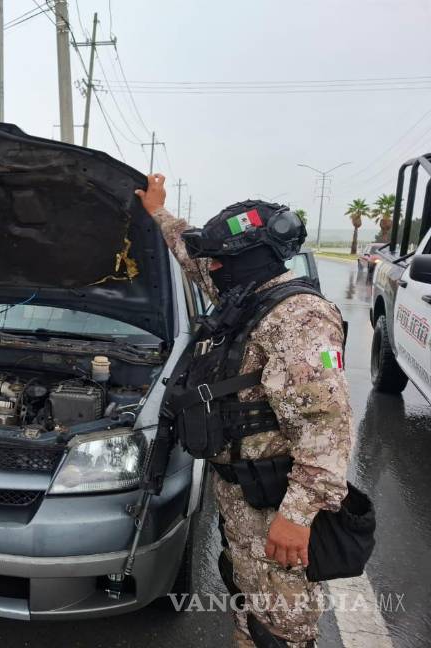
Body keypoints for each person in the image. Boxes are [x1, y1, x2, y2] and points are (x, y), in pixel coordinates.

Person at [136, 174, 352, 647]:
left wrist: (298, 515)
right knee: (247, 596)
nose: (209, 268)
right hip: (243, 495)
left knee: (283, 622)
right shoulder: (247, 299)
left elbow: (328, 427)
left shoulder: (298, 318)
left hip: (278, 500)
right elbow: (191, 261)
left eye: (220, 261)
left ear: (250, 260)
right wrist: (159, 212)